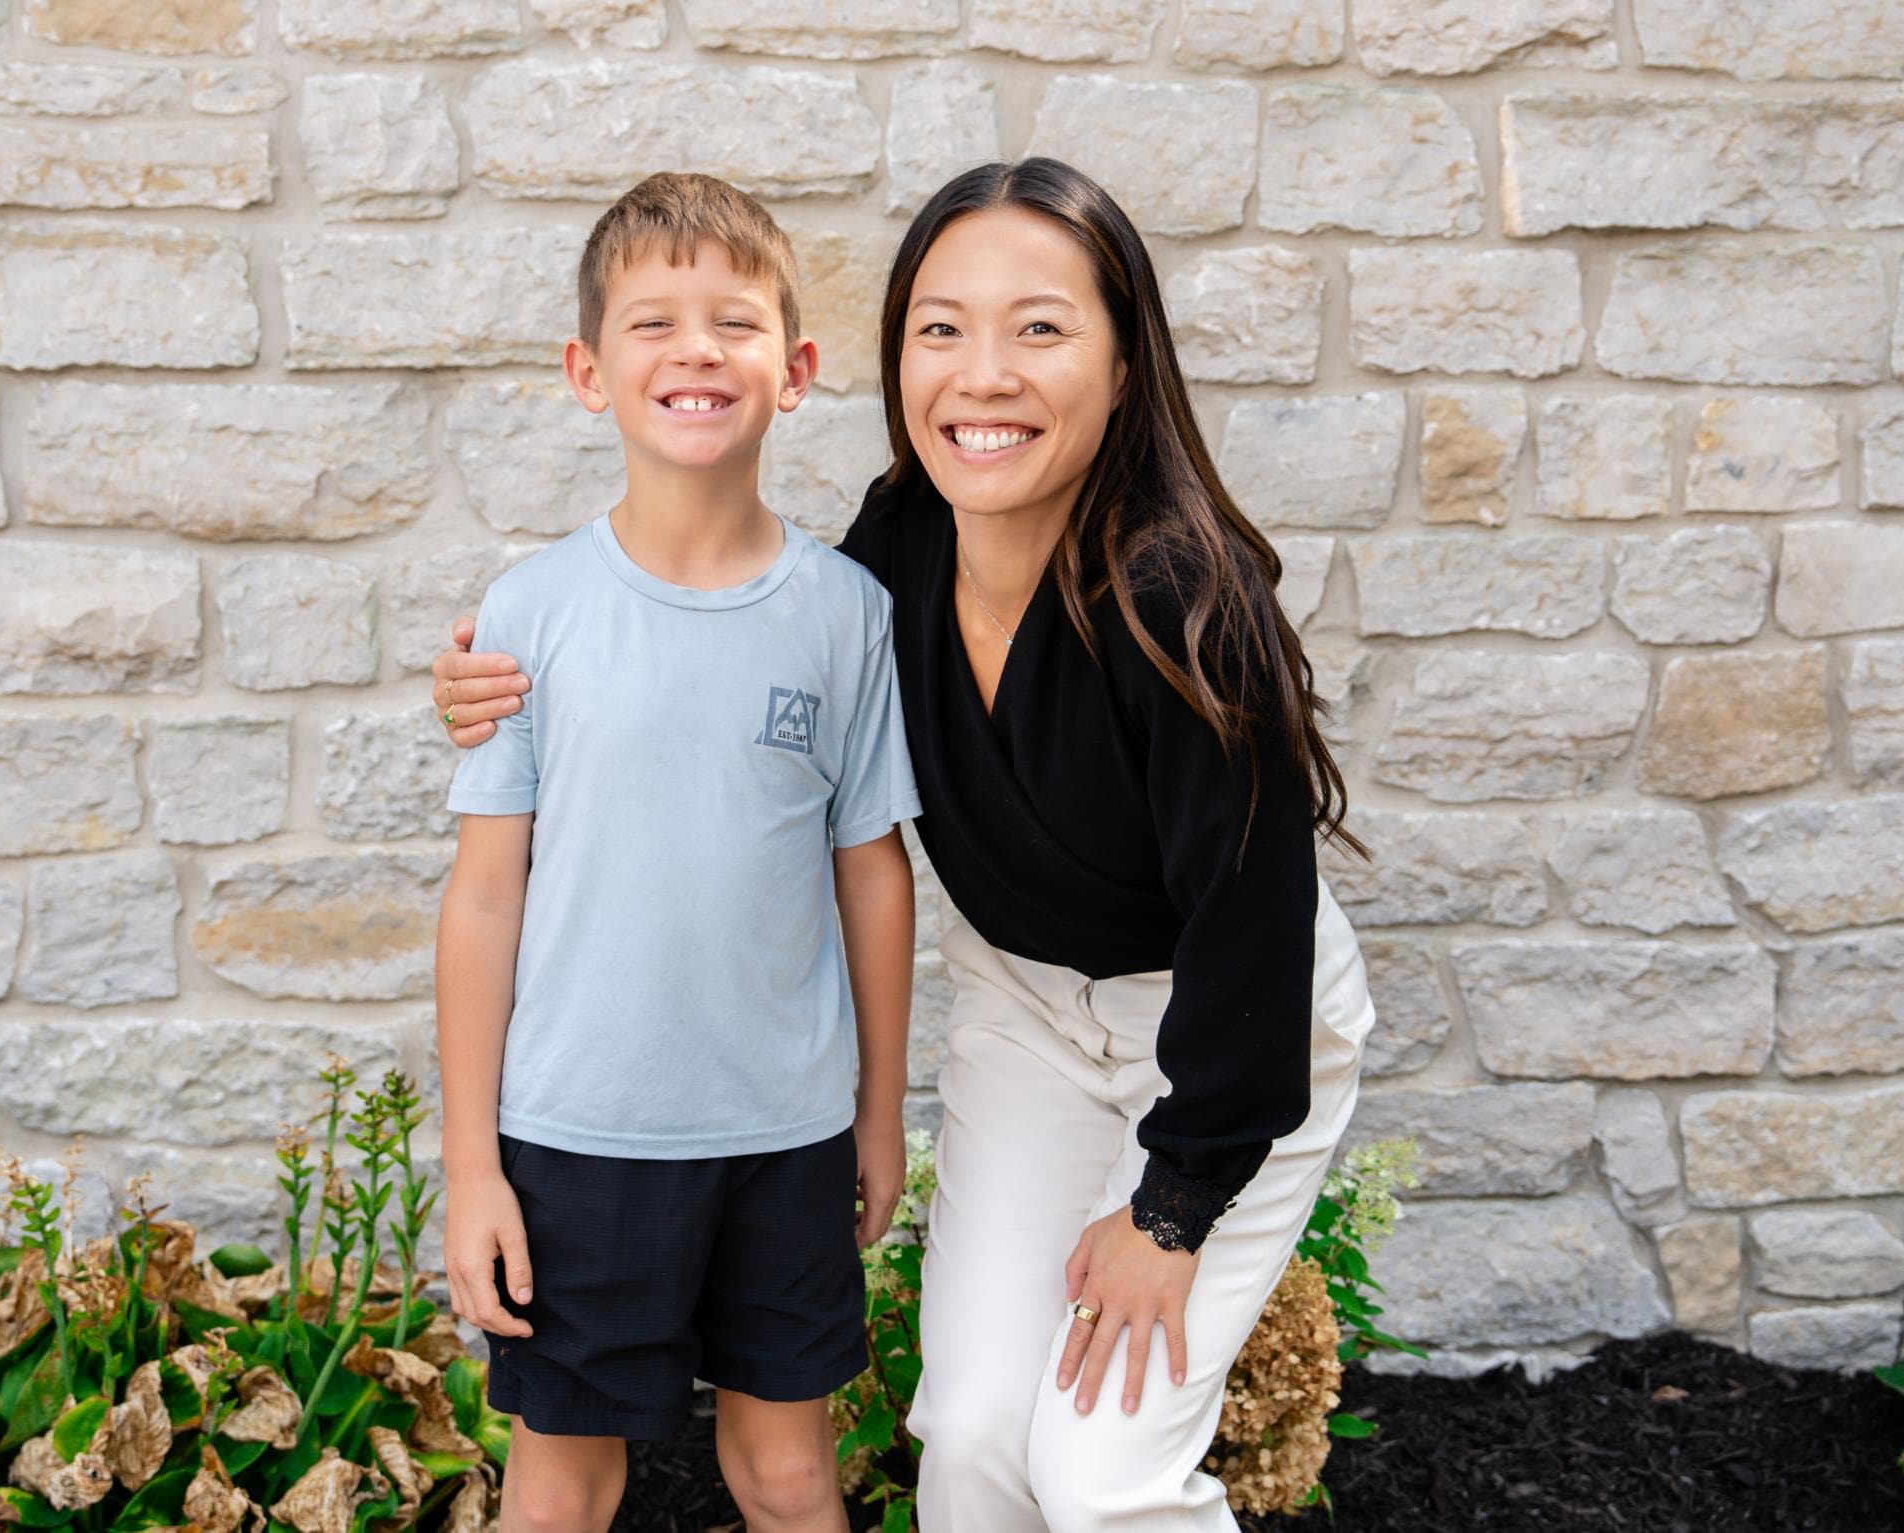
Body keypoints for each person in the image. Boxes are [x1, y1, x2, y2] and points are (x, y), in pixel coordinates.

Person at [433, 158, 1376, 1532]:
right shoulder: (889, 561)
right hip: (1024, 1017)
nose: (982, 374)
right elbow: (714, 637)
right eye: (942, 328)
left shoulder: (1183, 606)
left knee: (1099, 1471)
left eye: (1040, 328)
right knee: (973, 1438)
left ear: (1124, 365)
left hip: (1228, 1031)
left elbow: (1252, 939)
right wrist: (486, 678)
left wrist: (1170, 1213)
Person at [434, 171, 919, 1533]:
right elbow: (483, 901)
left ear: (797, 367)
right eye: (652, 323)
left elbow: (872, 873)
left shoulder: (847, 613)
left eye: (733, 321)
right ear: (589, 373)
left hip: (788, 1132)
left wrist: (878, 1109)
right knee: (564, 1480)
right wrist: (474, 1166)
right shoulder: (531, 609)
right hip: (579, 1138)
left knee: (783, 1471)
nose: (696, 349)